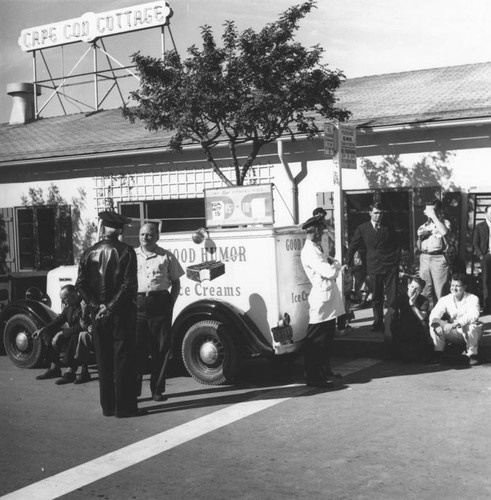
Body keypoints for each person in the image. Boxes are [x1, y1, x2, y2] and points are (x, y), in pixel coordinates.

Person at [75, 210, 139, 418]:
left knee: (103, 360)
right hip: (121, 313)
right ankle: (125, 408)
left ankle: (108, 407)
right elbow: (129, 285)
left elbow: (80, 285)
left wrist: (96, 306)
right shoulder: (127, 251)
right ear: (119, 230)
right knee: (123, 359)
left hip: (99, 315)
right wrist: (110, 306)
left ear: (102, 229)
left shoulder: (87, 253)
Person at [135, 222, 184, 401]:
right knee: (137, 349)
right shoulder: (131, 256)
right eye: (142, 234)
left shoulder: (166, 256)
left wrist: (170, 302)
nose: (145, 238)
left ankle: (157, 390)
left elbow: (176, 282)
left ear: (157, 237)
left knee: (161, 349)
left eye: (149, 234)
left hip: (160, 304)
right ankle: (134, 392)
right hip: (137, 304)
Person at [300, 212, 345, 388]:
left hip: (328, 298)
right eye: (321, 229)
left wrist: (333, 263)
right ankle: (313, 376)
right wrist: (337, 264)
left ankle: (324, 369)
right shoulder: (310, 251)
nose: (322, 232)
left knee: (326, 339)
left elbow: (329, 265)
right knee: (316, 341)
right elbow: (330, 272)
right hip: (321, 299)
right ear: (315, 230)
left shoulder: (316, 248)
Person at [345, 202, 399, 332]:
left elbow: (397, 245)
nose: (378, 215)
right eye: (375, 213)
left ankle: (393, 322)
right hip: (374, 265)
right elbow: (353, 245)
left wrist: (396, 262)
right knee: (376, 296)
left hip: (390, 265)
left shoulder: (389, 227)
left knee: (392, 296)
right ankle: (378, 322)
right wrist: (347, 261)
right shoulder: (363, 228)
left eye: (380, 213)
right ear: (370, 213)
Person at [33, 284, 83, 384]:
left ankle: (70, 371)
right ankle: (54, 367)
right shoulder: (69, 306)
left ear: (73, 295)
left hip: (82, 333)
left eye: (64, 298)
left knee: (74, 336)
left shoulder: (83, 304)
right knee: (48, 332)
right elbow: (59, 320)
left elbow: (82, 326)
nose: (63, 302)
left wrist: (61, 333)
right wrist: (43, 329)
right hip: (71, 331)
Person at [429, 273, 482, 365]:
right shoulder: (445, 299)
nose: (454, 288)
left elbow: (474, 314)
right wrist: (440, 323)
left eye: (458, 286)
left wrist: (456, 323)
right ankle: (438, 353)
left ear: (465, 287)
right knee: (434, 325)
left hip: (469, 333)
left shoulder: (473, 298)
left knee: (472, 325)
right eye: (452, 285)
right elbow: (434, 315)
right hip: (453, 332)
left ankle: (472, 355)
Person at [384, 276, 431, 362]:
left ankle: (423, 355)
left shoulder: (424, 300)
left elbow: (422, 317)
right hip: (403, 324)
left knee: (424, 325)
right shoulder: (401, 297)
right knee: (392, 324)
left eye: (416, 289)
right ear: (408, 286)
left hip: (417, 327)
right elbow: (388, 314)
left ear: (421, 291)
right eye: (412, 287)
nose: (413, 290)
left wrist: (412, 304)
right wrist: (387, 331)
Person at [416, 200, 451, 308]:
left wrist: (434, 217)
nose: (426, 211)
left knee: (440, 290)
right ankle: (427, 316)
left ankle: (443, 317)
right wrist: (420, 237)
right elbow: (418, 246)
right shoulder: (423, 226)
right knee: (425, 289)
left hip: (438, 258)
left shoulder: (444, 223)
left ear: (437, 210)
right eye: (426, 209)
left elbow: (444, 232)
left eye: (430, 209)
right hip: (424, 258)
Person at [473, 205, 491, 314]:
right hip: (486, 256)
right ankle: (487, 307)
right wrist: (481, 256)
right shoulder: (480, 226)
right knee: (486, 281)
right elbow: (475, 243)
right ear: (486, 214)